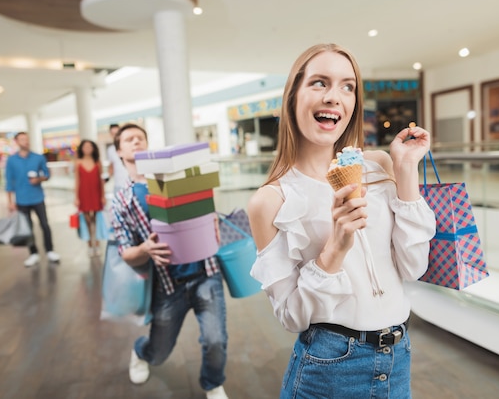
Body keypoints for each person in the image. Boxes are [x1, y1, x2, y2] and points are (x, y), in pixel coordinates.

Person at [247, 43, 436, 398]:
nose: (335, 96)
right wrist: (335, 246)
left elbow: (413, 267)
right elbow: (292, 317)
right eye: (319, 83)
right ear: (293, 97)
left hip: (397, 358)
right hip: (329, 368)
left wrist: (406, 168)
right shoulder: (271, 201)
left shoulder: (379, 165)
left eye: (347, 86)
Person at [111, 124, 229, 399]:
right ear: (119, 151)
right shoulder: (121, 200)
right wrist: (146, 249)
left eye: (140, 137)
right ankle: (141, 352)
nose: (136, 141)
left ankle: (213, 383)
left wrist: (211, 219)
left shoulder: (176, 177)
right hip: (168, 285)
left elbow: (206, 211)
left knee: (216, 341)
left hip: (206, 273)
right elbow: (125, 252)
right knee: (159, 352)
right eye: (128, 139)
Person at [5, 132, 60, 267]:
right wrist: (10, 202)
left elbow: (47, 175)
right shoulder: (11, 160)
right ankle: (33, 253)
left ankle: (50, 251)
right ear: (17, 142)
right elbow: (8, 181)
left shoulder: (38, 158)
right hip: (21, 200)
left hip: (37, 197)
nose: (25, 142)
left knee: (45, 225)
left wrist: (39, 179)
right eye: (22, 139)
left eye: (27, 139)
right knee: (27, 228)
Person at [74, 139, 106, 257]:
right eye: (85, 146)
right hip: (84, 194)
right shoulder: (78, 162)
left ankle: (97, 244)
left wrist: (103, 195)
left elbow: (101, 180)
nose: (87, 149)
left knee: (97, 219)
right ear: (81, 149)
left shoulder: (97, 162)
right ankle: (89, 245)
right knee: (86, 220)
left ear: (93, 148)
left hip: (96, 193)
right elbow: (77, 181)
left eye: (89, 146)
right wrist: (76, 197)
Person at [106, 123, 129, 193]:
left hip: (131, 183)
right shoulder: (110, 150)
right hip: (118, 184)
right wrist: (107, 178)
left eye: (117, 133)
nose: (115, 135)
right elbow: (111, 166)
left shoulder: (129, 146)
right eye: (113, 133)